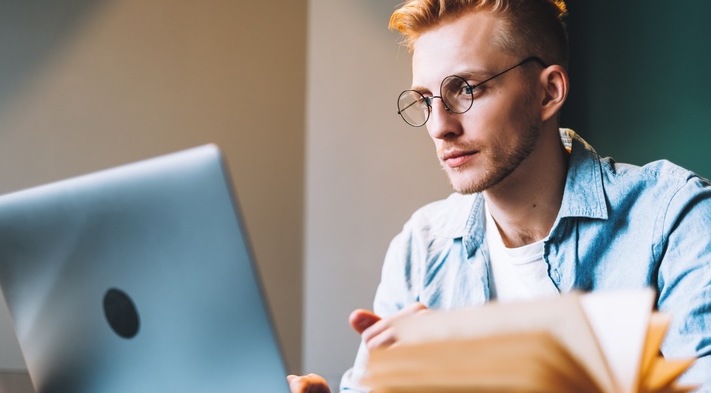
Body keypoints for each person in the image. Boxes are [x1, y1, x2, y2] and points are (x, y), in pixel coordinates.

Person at [288, 0, 711, 391]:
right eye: (425, 101)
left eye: (466, 89)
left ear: (548, 92)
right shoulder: (421, 246)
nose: (439, 127)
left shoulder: (674, 218)